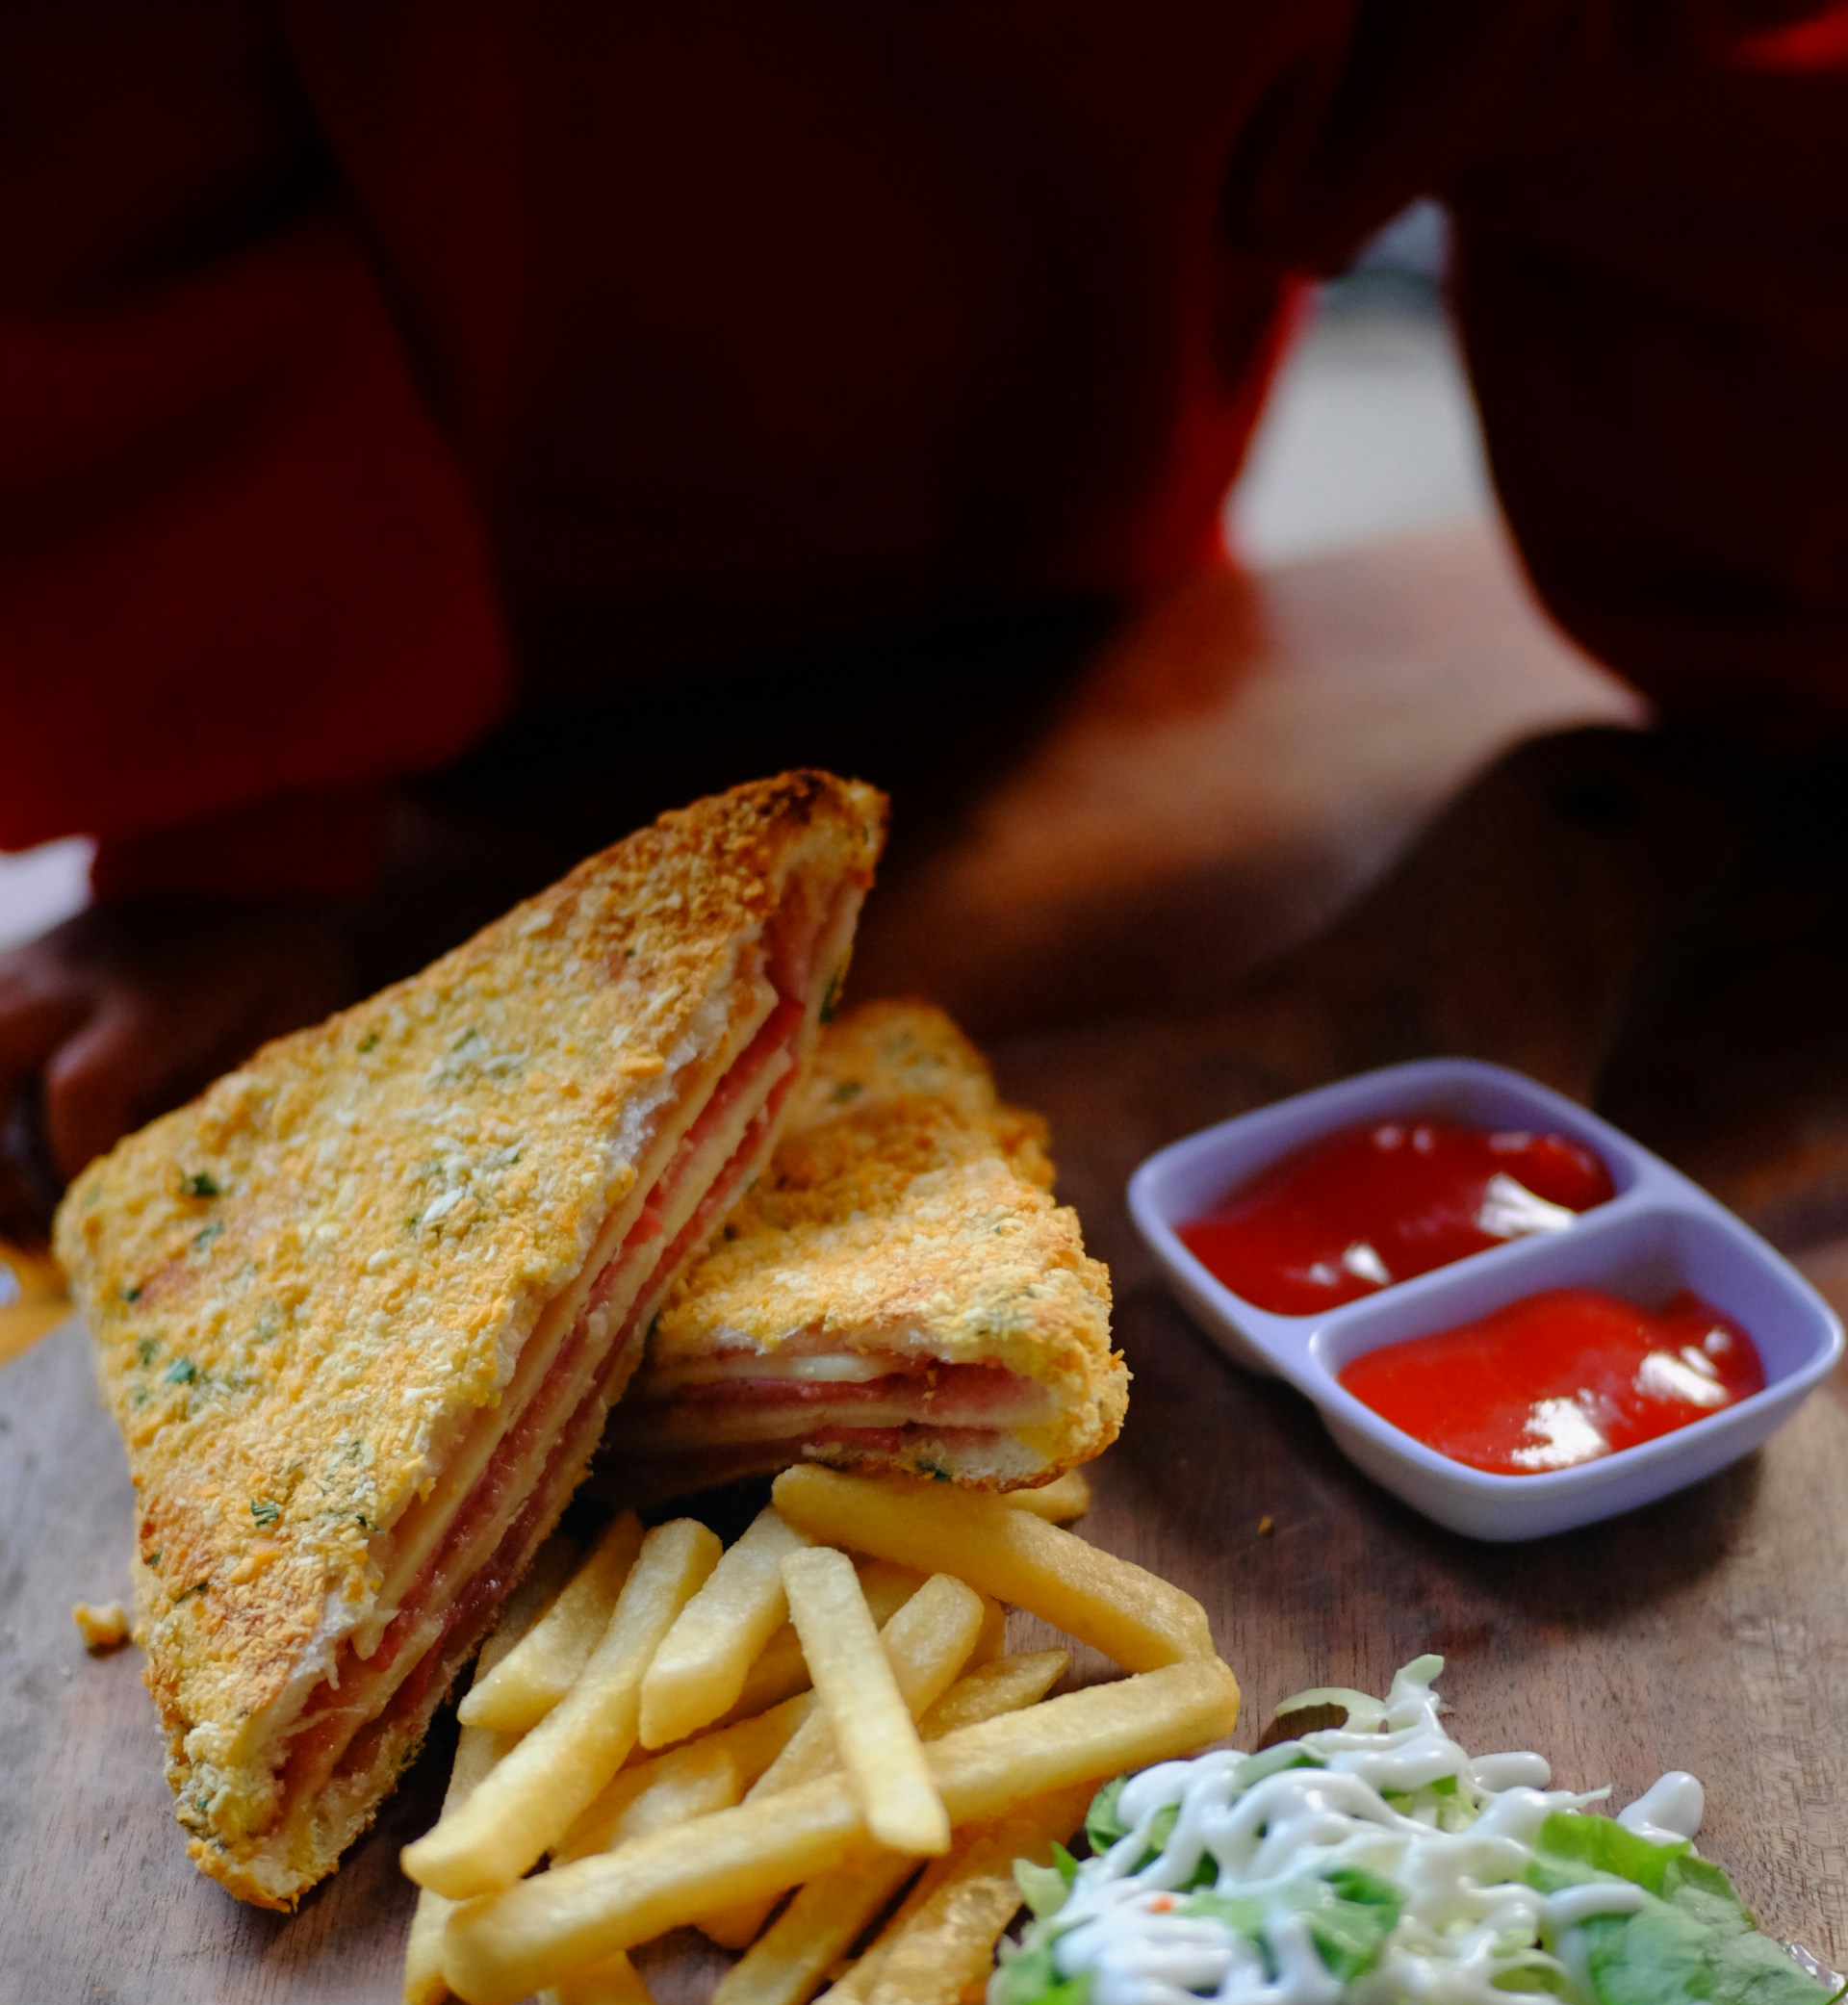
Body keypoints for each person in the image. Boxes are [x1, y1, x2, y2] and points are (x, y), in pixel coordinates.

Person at [3, 0, 1845, 1183]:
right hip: (397, 592)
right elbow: (89, 118)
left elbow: (1699, 71)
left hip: (1060, 578)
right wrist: (223, 822)